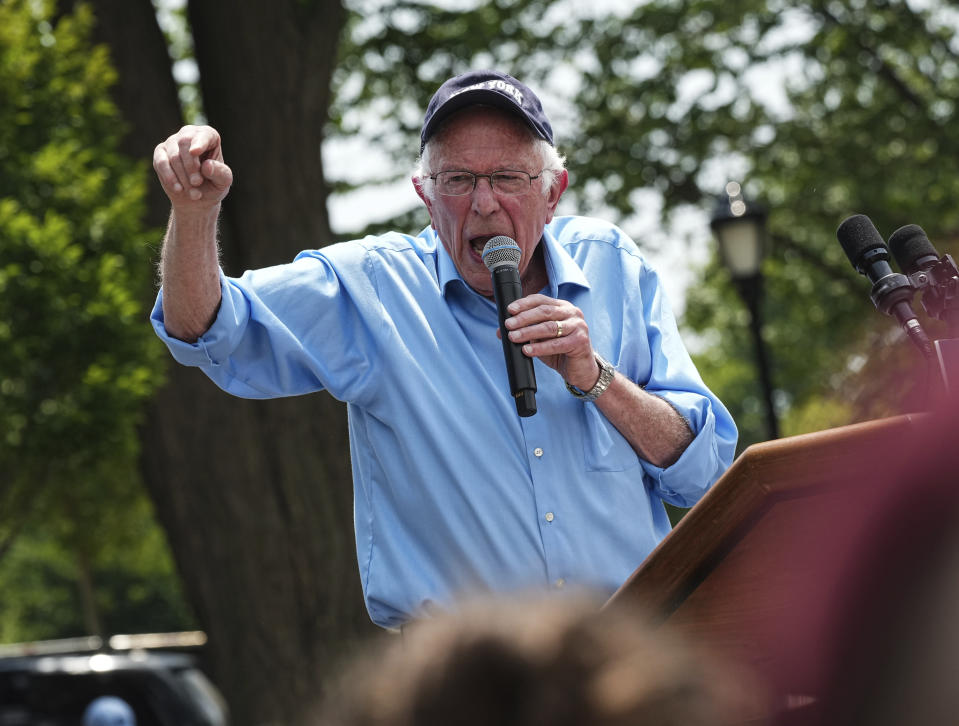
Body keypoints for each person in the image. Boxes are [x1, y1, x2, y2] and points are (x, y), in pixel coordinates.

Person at [150, 70, 737, 629]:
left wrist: (599, 379)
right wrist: (195, 214)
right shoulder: (373, 289)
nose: (483, 203)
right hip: (470, 685)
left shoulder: (613, 266)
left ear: (553, 192)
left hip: (633, 668)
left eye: (508, 177)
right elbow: (205, 329)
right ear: (426, 197)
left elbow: (706, 475)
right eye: (458, 180)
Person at [317, 592, 765, 726]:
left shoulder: (644, 360)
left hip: (634, 648)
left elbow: (700, 468)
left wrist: (597, 380)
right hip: (453, 677)